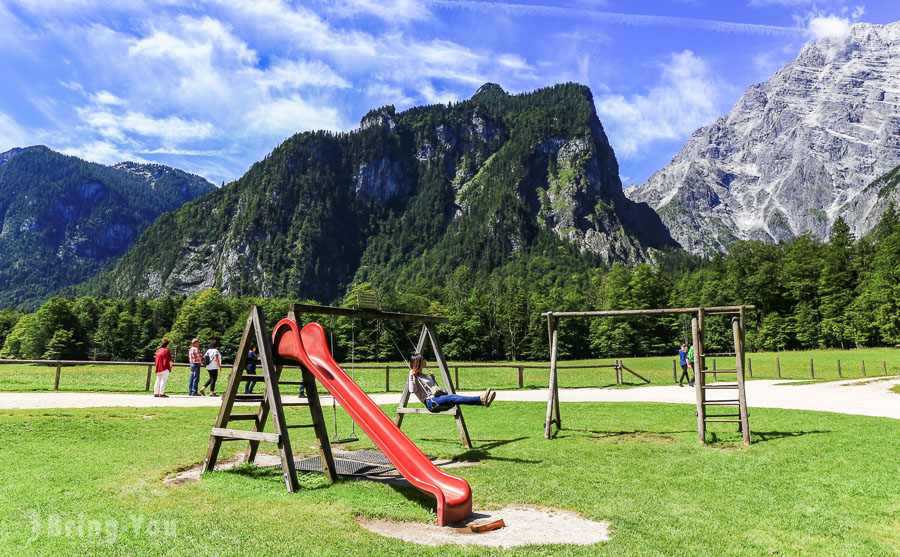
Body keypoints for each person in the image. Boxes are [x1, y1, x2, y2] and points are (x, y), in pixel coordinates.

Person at [407, 353, 495, 411]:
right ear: (418, 362)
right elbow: (412, 390)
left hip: (436, 398)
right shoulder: (414, 376)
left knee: (454, 398)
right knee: (454, 397)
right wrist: (411, 376)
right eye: (423, 359)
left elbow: (431, 388)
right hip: (431, 402)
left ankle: (483, 401)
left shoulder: (423, 375)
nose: (425, 360)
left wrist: (432, 377)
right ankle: (481, 398)